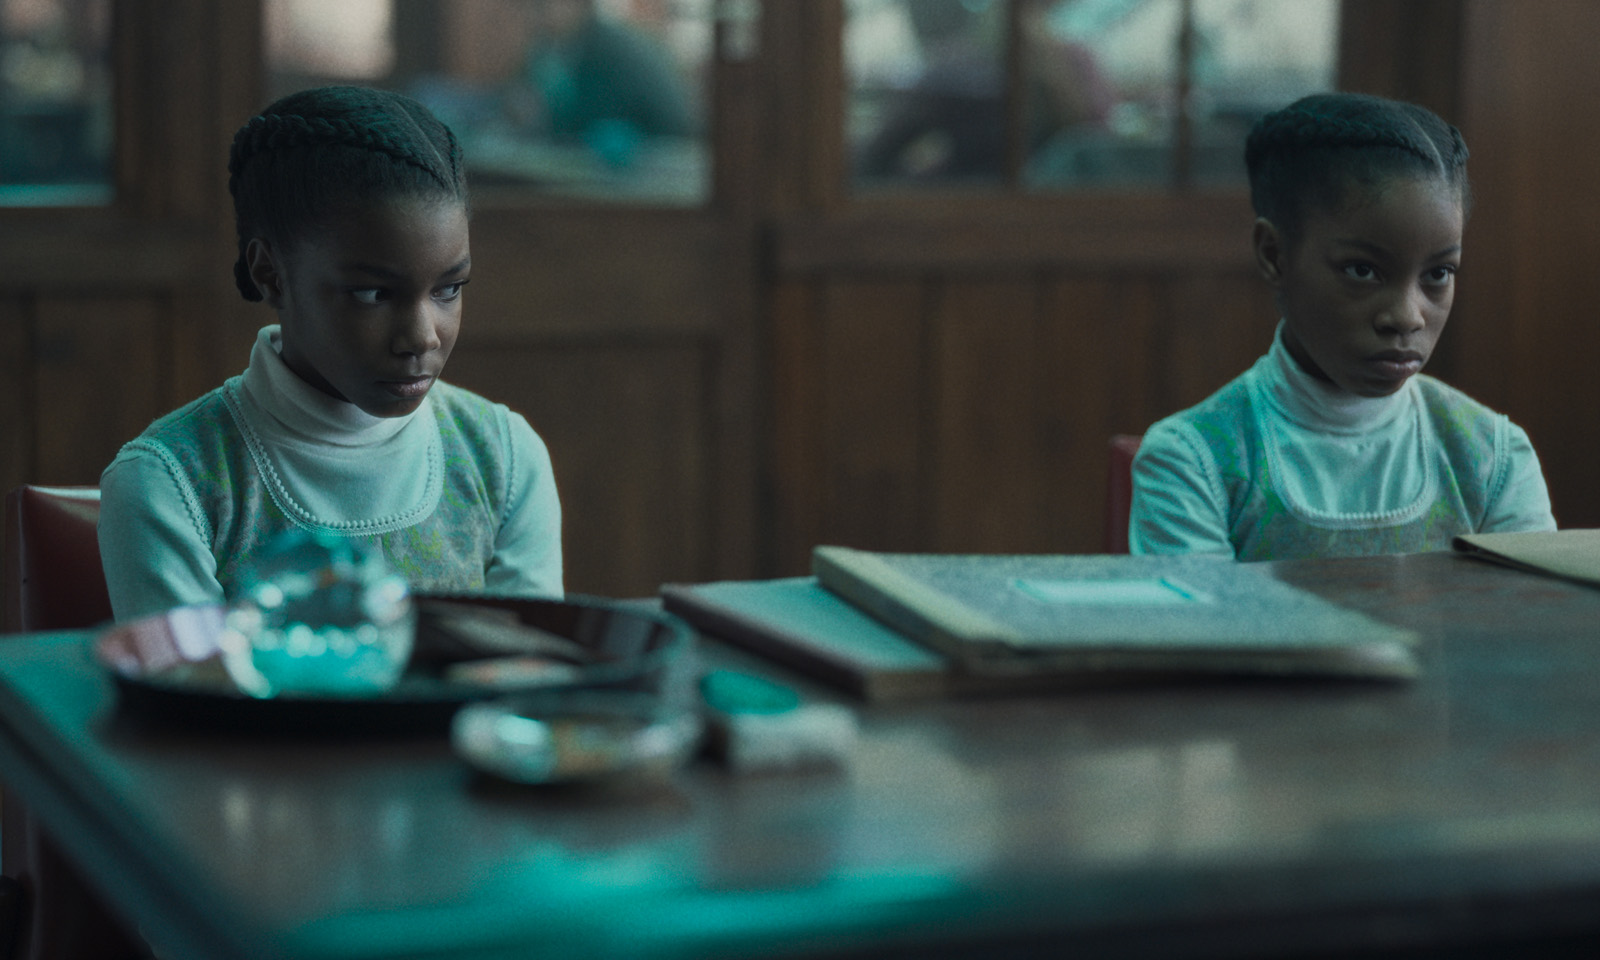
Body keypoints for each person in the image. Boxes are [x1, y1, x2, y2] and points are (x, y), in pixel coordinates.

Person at [98, 85, 562, 621]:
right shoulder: (172, 485)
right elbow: (192, 678)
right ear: (271, 274)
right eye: (372, 294)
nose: (422, 337)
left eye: (449, 289)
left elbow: (532, 667)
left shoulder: (502, 459)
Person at [1129, 92, 1555, 560]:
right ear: (1274, 255)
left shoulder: (1491, 459)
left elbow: (1529, 609)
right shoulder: (1196, 461)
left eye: (1438, 274)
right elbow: (1198, 612)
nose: (1407, 317)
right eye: (1362, 270)